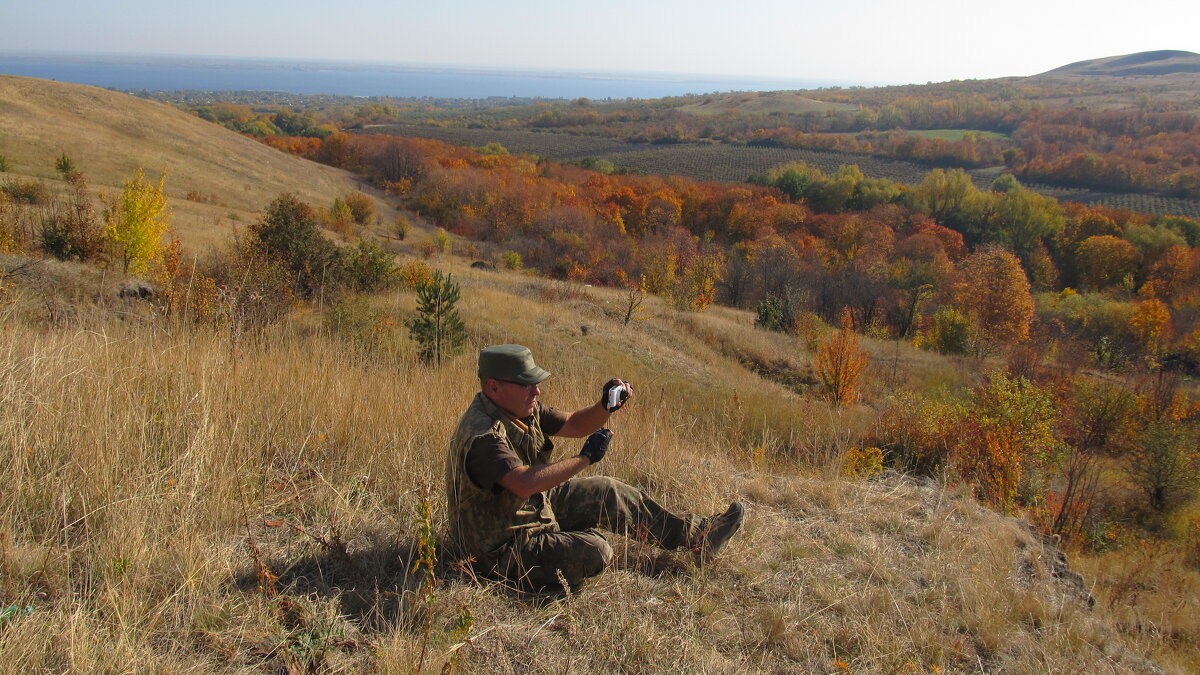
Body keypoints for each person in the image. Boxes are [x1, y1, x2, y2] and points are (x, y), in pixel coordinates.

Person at [446, 344, 744, 591]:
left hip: (526, 510)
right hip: (497, 550)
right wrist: (585, 457)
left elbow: (574, 424)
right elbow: (523, 483)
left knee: (607, 492)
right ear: (493, 386)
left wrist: (605, 406)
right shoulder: (482, 435)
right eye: (526, 384)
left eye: (535, 382)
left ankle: (697, 536)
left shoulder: (522, 409)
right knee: (597, 550)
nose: (536, 391)